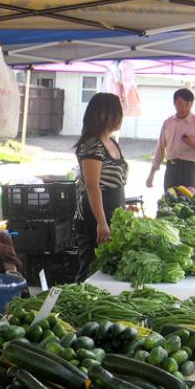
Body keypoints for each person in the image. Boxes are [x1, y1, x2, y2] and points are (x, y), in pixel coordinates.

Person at [74, 92, 127, 282]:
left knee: (107, 268)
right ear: (106, 115)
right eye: (118, 112)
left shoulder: (111, 142)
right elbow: (92, 186)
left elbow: (117, 181)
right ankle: (78, 306)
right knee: (91, 267)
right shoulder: (92, 145)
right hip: (94, 215)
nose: (122, 117)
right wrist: (101, 222)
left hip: (114, 211)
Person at [146, 88, 195, 191]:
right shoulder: (168, 122)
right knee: (169, 201)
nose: (183, 108)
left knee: (189, 203)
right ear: (174, 103)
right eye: (180, 104)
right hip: (172, 168)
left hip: (190, 169)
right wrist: (151, 174)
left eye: (187, 105)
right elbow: (160, 148)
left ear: (192, 104)